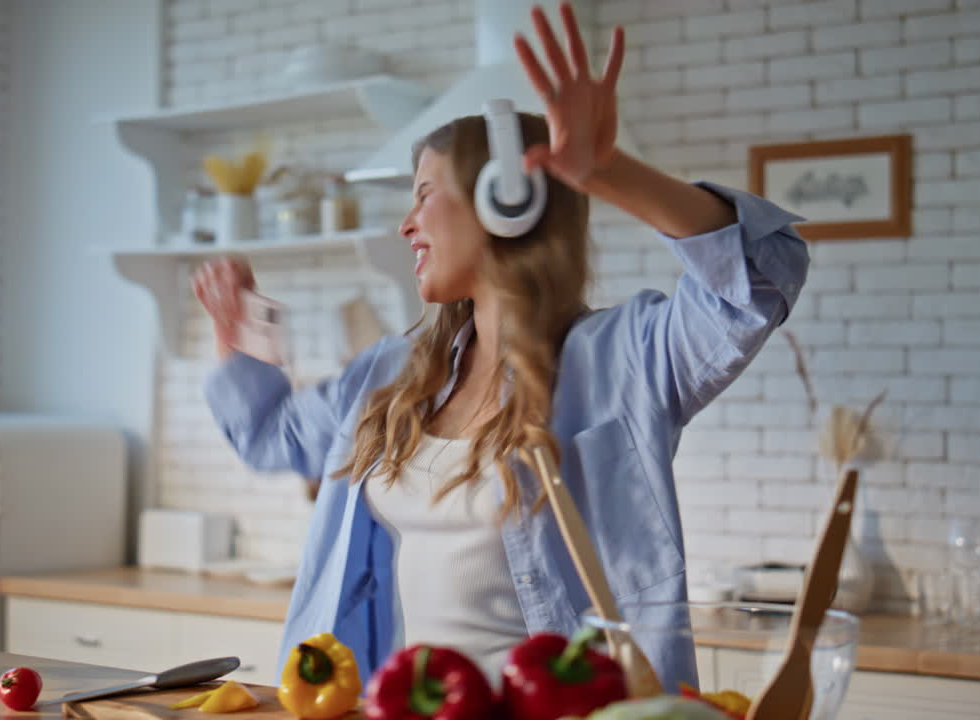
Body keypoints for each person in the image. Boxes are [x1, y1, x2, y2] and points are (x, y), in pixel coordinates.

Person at [193, 3, 809, 691]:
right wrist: (235, 343)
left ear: (503, 200)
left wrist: (607, 172)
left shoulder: (624, 360)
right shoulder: (388, 373)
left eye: (424, 194)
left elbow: (757, 277)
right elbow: (274, 437)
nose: (406, 224)